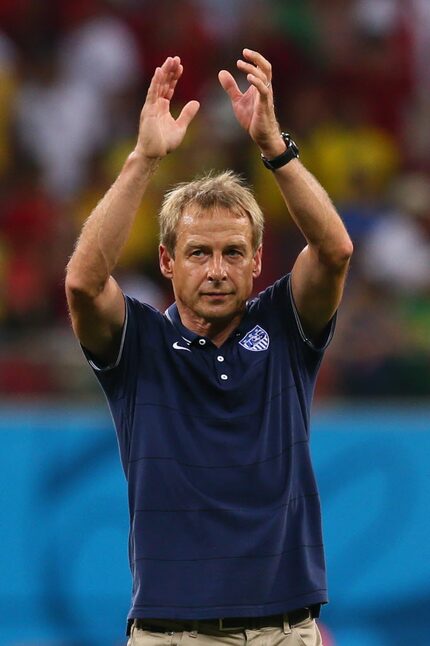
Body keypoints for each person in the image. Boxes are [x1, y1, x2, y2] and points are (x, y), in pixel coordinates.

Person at [66, 50, 353, 646]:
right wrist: (144, 158)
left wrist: (277, 150)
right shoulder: (139, 343)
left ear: (255, 261)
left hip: (285, 632)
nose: (217, 270)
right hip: (169, 635)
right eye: (198, 253)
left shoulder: (286, 327)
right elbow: (83, 284)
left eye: (232, 253)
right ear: (168, 261)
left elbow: (335, 252)